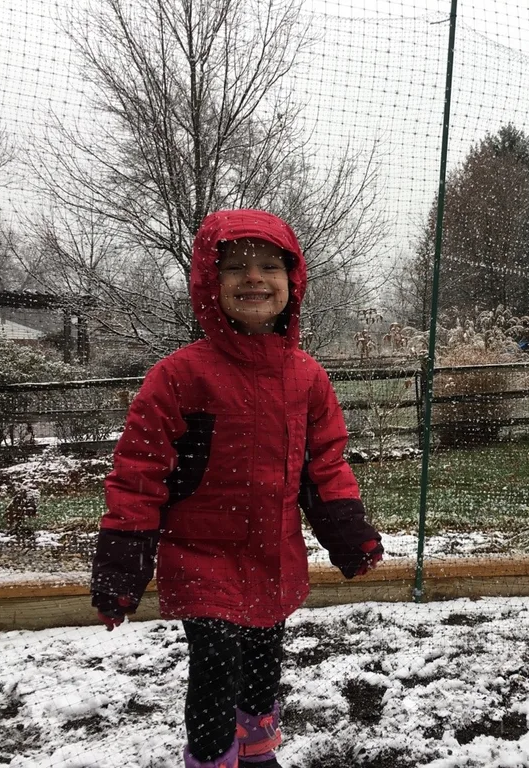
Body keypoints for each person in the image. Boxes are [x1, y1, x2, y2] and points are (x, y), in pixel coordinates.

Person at [90, 209, 384, 768]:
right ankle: (210, 756)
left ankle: (256, 750)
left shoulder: (306, 376)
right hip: (201, 555)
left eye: (270, 266)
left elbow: (323, 463)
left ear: (291, 284)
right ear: (209, 284)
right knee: (216, 662)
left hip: (273, 552)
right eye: (236, 268)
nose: (254, 278)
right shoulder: (180, 376)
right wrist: (124, 560)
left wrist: (346, 529)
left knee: (263, 656)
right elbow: (139, 471)